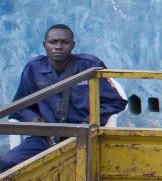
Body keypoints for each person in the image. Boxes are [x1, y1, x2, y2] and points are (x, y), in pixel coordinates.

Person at [2, 24, 127, 171]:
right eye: (53, 42)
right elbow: (19, 107)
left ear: (73, 45)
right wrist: (34, 120)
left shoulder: (89, 66)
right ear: (45, 45)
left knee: (84, 173)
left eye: (64, 42)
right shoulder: (34, 68)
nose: (58, 47)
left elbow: (115, 102)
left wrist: (87, 123)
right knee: (7, 163)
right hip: (44, 140)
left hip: (82, 139)